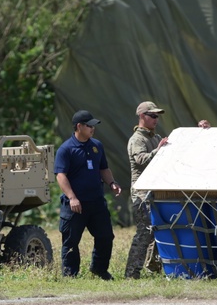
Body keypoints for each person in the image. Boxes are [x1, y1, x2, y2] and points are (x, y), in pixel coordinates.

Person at [55, 110, 122, 280]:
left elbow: (103, 168)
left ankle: (99, 269)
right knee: (71, 241)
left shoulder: (97, 145)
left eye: (93, 125)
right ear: (79, 126)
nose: (93, 128)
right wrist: (72, 197)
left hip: (96, 202)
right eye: (89, 125)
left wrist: (112, 183)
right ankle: (70, 275)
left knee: (106, 236)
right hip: (76, 204)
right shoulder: (66, 149)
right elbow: (60, 175)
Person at [125, 101, 169, 279]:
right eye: (152, 116)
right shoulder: (137, 139)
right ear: (142, 116)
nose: (156, 119)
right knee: (144, 233)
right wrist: (158, 151)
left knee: (159, 229)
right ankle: (131, 272)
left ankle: (154, 267)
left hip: (156, 191)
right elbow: (141, 160)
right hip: (142, 194)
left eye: (157, 116)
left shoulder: (155, 138)